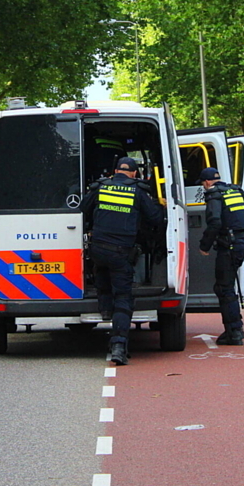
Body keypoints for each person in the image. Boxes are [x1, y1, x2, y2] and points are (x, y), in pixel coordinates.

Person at [80, 156, 165, 365]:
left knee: (101, 274)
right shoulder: (138, 191)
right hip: (121, 252)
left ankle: (105, 309)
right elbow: (155, 218)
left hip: (98, 248)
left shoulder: (100, 187)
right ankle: (119, 346)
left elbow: (82, 208)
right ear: (134, 173)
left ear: (115, 171)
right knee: (124, 298)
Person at [200, 165, 244, 346]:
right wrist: (239, 228)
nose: (203, 186)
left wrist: (205, 245)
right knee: (228, 285)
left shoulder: (214, 195)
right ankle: (235, 328)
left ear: (208, 182)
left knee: (224, 289)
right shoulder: (235, 190)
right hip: (241, 241)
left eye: (203, 183)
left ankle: (234, 331)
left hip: (229, 244)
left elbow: (215, 221)